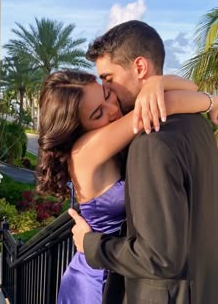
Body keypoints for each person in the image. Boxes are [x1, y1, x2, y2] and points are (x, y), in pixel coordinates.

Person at [68, 20, 218, 304]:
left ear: (139, 67)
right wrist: (206, 99)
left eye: (108, 79)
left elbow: (160, 257)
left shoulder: (151, 143)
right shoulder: (196, 122)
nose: (107, 91)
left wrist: (90, 244)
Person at [37, 70, 217, 304]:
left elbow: (189, 86)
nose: (112, 108)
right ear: (77, 128)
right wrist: (212, 103)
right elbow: (170, 102)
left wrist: (156, 82)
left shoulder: (113, 136)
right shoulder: (85, 150)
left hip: (121, 266)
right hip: (96, 278)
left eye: (106, 94)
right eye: (98, 113)